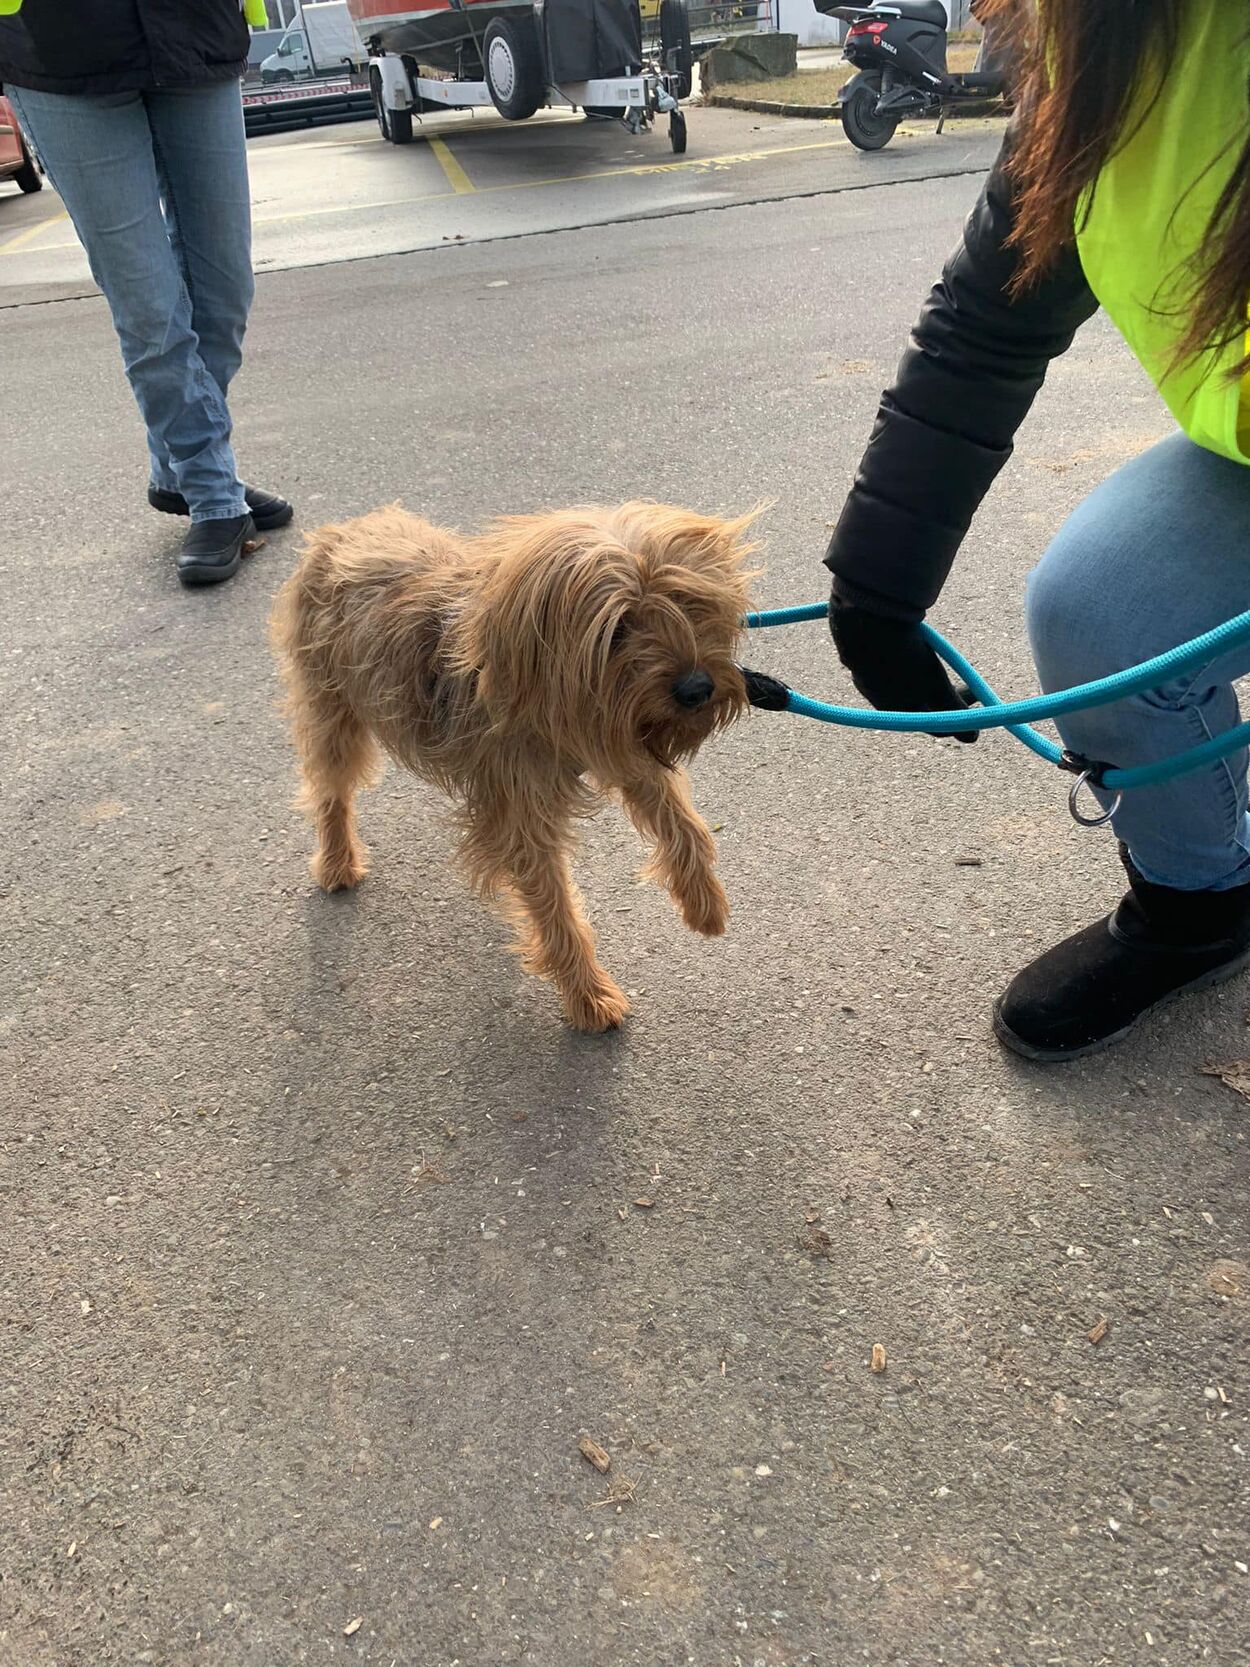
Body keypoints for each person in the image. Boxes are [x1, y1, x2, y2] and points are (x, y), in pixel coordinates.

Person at [824, 0, 1250, 1062]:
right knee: (1099, 613)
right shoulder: (1092, 50)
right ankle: (1200, 904)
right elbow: (985, 324)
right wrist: (878, 586)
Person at [0, 0, 291, 585]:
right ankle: (212, 493)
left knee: (224, 293)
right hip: (58, 50)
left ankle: (175, 468)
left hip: (195, 32)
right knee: (149, 308)